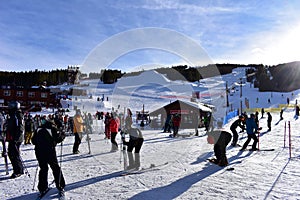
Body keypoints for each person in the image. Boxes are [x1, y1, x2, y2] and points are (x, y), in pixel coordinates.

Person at [31, 116, 66, 198]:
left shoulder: (38, 128)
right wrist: (62, 135)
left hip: (39, 151)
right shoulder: (52, 128)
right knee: (55, 167)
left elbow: (33, 141)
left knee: (43, 168)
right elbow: (58, 139)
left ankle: (42, 188)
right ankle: (60, 185)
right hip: (49, 151)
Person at [5, 101, 25, 178]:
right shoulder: (13, 115)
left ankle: (18, 171)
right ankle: (18, 169)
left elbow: (20, 127)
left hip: (15, 138)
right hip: (12, 137)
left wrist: (16, 139)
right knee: (11, 153)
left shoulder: (17, 115)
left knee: (14, 154)